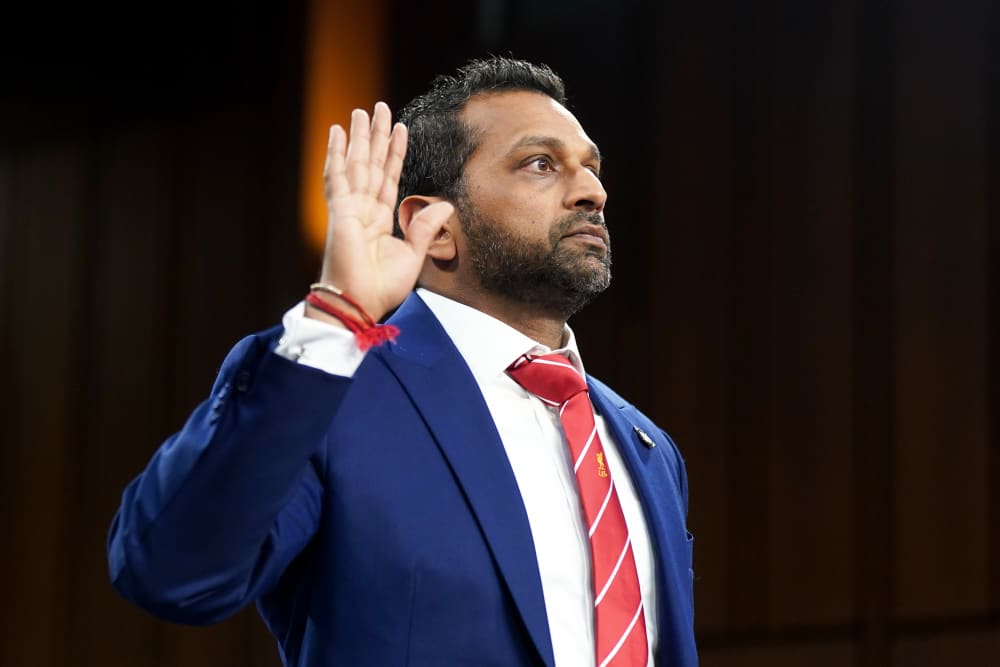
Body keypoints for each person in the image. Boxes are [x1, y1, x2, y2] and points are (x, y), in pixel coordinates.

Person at [107, 57, 697, 667]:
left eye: (591, 169)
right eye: (540, 164)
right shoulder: (332, 393)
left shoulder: (646, 445)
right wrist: (338, 316)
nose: (592, 191)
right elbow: (173, 574)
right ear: (434, 228)